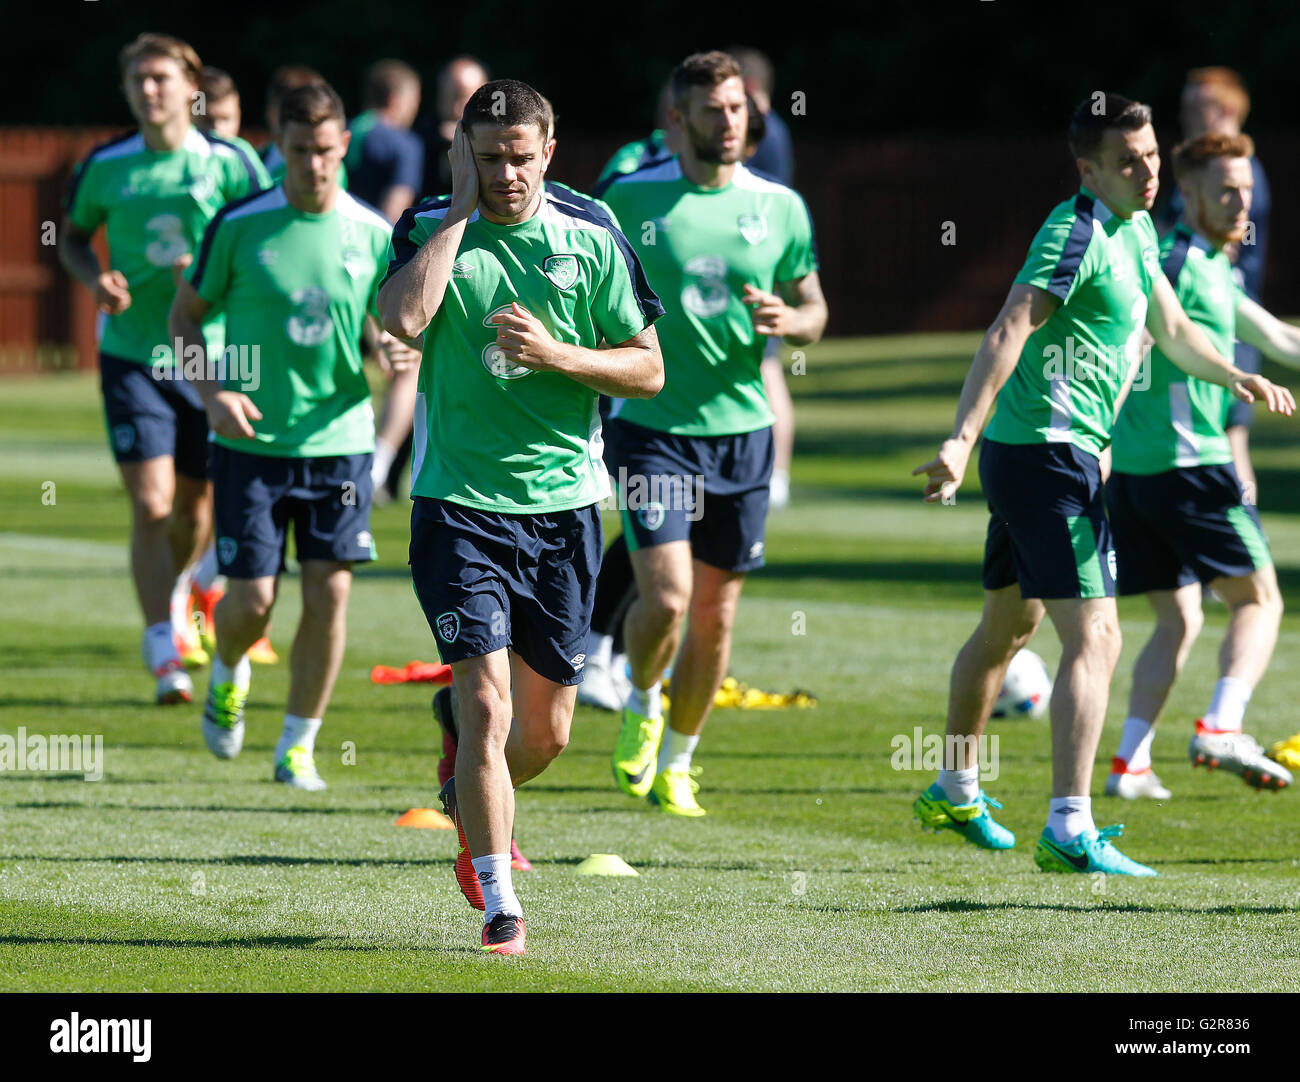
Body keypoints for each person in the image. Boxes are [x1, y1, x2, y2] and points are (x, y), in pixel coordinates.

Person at [911, 94, 1292, 877]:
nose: (1148, 171)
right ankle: (1070, 826)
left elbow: (1175, 331)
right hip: (1047, 457)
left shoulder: (1138, 227)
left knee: (1005, 632)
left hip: (1050, 457)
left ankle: (953, 784)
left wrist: (1235, 375)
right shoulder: (1075, 230)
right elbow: (1007, 329)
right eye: (1129, 162)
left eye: (1153, 155)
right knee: (1100, 636)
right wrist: (958, 438)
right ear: (1089, 170)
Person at [379, 79, 664, 955]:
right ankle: (501, 900)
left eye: (519, 156)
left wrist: (556, 355)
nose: (506, 173)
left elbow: (648, 370)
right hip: (459, 506)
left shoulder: (594, 231)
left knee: (542, 735)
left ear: (550, 149)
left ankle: (465, 784)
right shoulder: (431, 224)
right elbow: (399, 318)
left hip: (567, 510)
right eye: (488, 156)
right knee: (489, 705)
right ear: (465, 151)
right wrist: (461, 212)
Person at [170, 81, 415, 788]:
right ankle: (227, 668)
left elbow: (392, 329)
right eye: (301, 151)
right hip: (249, 446)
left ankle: (297, 746)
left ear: (345, 147)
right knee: (250, 605)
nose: (314, 164)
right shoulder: (240, 224)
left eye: (327, 151)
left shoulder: (372, 232)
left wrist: (398, 350)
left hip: (340, 442)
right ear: (278, 147)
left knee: (330, 594)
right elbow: (185, 319)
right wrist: (212, 393)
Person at [604, 51, 826, 817]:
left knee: (716, 612)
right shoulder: (627, 199)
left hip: (743, 434)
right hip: (653, 428)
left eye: (738, 108)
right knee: (666, 599)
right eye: (714, 110)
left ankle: (681, 762)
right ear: (677, 119)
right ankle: (639, 701)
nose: (731, 122)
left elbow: (815, 309)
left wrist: (791, 322)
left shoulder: (780, 206)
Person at [59, 32, 269, 704]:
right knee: (150, 504)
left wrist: (212, 281)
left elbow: (270, 242)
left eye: (161, 79)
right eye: (139, 81)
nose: (150, 91)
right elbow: (68, 237)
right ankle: (161, 645)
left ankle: (177, 590)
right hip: (132, 355)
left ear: (190, 86)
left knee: (191, 510)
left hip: (212, 360)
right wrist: (96, 279)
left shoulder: (231, 164)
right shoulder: (106, 165)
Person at [1106, 133, 1295, 797]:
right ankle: (1222, 724)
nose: (1241, 199)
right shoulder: (1180, 263)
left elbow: (1279, 339)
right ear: (1187, 194)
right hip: (1189, 467)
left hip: (1140, 478)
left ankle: (1130, 762)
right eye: (1225, 189)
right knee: (1261, 599)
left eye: (1246, 187)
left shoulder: (1212, 265)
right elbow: (1133, 343)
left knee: (1179, 618)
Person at [373, 57, 489, 504]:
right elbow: (400, 205)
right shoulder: (416, 141)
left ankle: (389, 470)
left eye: (470, 90)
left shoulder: (492, 146)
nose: (461, 99)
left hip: (479, 270)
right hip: (423, 263)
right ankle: (385, 470)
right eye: (454, 89)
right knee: (417, 362)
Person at [1164, 68, 1271, 505]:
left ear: (1226, 110)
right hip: (1193, 310)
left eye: (1198, 106)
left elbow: (1224, 248)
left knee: (1231, 438)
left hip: (1225, 317)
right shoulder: (1201, 167)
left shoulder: (1238, 171)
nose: (1188, 115)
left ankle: (1245, 535)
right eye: (1186, 105)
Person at [345, 59, 424, 224]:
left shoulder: (339, 132)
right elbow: (392, 214)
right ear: (394, 99)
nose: (415, 109)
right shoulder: (405, 144)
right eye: (414, 100)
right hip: (369, 242)